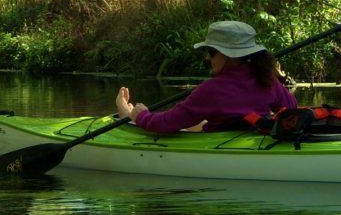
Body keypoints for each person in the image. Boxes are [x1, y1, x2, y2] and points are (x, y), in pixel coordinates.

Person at [115, 20, 297, 134]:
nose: (207, 58)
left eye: (211, 52)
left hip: (223, 137)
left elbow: (166, 124)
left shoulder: (211, 90)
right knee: (201, 123)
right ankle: (129, 115)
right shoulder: (268, 80)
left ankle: (129, 117)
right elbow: (291, 109)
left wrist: (143, 116)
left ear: (230, 56)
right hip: (245, 132)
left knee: (191, 124)